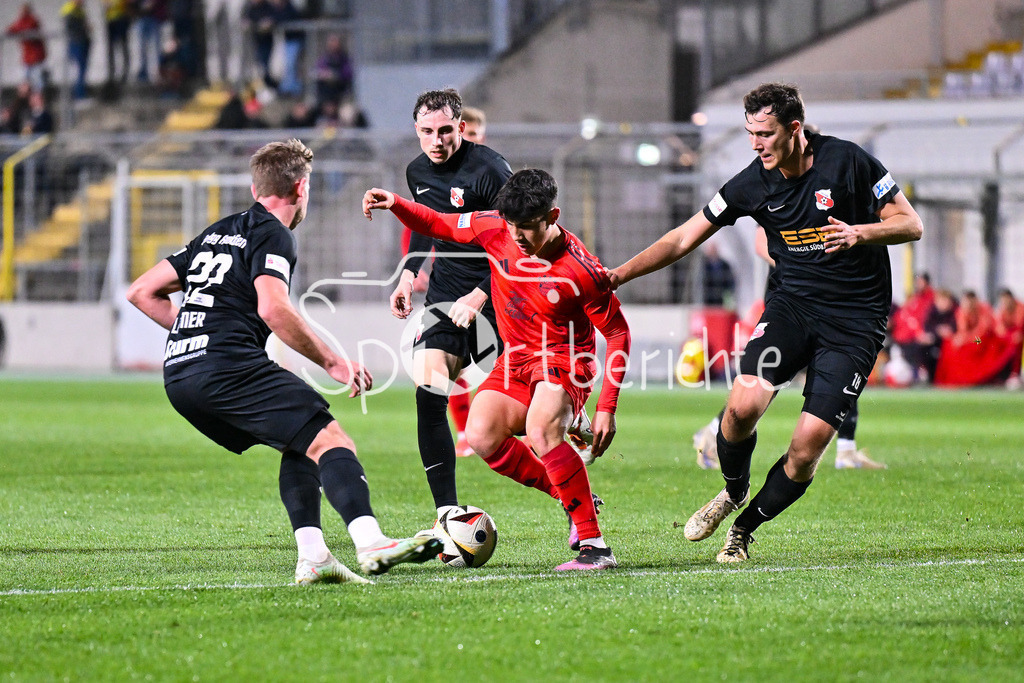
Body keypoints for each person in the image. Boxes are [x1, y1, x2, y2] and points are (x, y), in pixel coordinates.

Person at [609, 82, 923, 563]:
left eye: (765, 133)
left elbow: (910, 223)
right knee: (739, 410)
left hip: (855, 323)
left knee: (806, 449)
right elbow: (681, 239)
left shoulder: (849, 162)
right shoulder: (749, 184)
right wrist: (618, 275)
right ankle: (733, 490)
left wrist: (860, 232)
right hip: (792, 310)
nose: (756, 144)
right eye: (750, 133)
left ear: (794, 129)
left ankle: (745, 527)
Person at [126, 139, 441, 584]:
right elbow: (273, 308)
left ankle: (313, 556)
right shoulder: (274, 232)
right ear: (300, 187)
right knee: (333, 441)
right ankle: (371, 541)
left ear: (256, 188)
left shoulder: (215, 232)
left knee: (302, 440)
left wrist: (195, 329)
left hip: (180, 374)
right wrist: (333, 362)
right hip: (226, 366)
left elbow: (141, 291)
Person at [363, 168, 631, 570]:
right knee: (481, 434)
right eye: (513, 226)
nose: (518, 237)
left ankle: (595, 546)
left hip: (565, 360)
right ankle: (568, 492)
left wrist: (608, 404)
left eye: (528, 228)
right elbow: (438, 222)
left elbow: (618, 333)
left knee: (542, 428)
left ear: (553, 216)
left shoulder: (581, 271)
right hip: (517, 358)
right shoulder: (493, 227)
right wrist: (398, 204)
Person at [390, 88, 512, 528]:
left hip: (500, 294)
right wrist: (408, 274)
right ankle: (446, 513)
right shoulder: (416, 170)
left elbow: (516, 248)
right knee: (429, 391)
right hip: (445, 295)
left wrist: (480, 294)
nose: (436, 141)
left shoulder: (491, 171)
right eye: (427, 132)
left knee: (512, 422)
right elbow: (426, 221)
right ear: (417, 131)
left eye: (445, 131)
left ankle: (570, 483)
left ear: (461, 127)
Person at [6, 3, 48, 92]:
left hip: (36, 56)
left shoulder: (32, 21)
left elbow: (26, 29)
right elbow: (11, 29)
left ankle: (38, 99)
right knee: (26, 79)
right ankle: (29, 99)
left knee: (37, 80)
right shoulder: (20, 22)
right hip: (28, 56)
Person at [61, 0, 91, 99]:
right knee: (78, 69)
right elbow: (70, 28)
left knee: (81, 69)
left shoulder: (79, 10)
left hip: (82, 41)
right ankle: (79, 94)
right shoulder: (69, 10)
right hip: (77, 42)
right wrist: (84, 28)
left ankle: (79, 92)